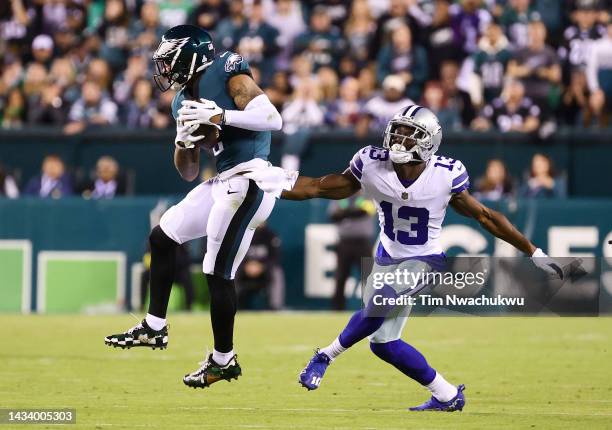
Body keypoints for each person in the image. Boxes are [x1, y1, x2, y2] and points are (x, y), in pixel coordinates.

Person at [272, 104, 578, 411]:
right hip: (386, 257)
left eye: (409, 134)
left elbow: (486, 216)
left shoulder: (445, 175)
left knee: (380, 303)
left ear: (429, 141)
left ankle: (324, 355)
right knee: (383, 345)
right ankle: (447, 395)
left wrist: (534, 252)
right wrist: (270, 185)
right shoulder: (370, 163)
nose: (398, 140)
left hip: (425, 260)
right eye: (397, 131)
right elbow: (316, 187)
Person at [104, 25, 283, 391]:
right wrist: (183, 141)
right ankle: (154, 327)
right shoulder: (179, 100)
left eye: (169, 60)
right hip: (223, 181)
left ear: (190, 55)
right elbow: (187, 171)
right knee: (162, 236)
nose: (165, 69)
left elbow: (272, 119)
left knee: (216, 271)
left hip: (252, 177)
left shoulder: (227, 69)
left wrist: (220, 116)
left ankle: (223, 360)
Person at [328, 192, 375, 310]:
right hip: (345, 243)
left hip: (362, 243)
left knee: (368, 277)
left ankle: (371, 307)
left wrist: (345, 213)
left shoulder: (367, 196)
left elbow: (365, 212)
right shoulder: (340, 197)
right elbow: (333, 216)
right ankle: (337, 309)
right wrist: (352, 212)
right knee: (341, 276)